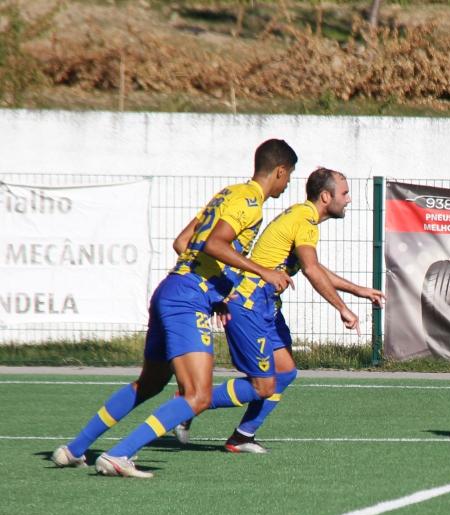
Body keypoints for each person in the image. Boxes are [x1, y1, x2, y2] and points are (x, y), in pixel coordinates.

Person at [51, 139, 297, 478]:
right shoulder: (251, 203)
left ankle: (74, 449)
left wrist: (217, 290)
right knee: (198, 396)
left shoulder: (227, 194)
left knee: (149, 384)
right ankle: (120, 454)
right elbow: (214, 243)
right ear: (280, 171)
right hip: (187, 300)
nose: (288, 184)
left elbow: (183, 242)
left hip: (170, 290)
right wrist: (262, 271)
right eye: (289, 176)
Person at [179, 167, 384, 454]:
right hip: (248, 305)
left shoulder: (302, 216)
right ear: (326, 197)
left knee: (285, 373)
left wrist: (358, 290)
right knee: (262, 384)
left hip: (266, 307)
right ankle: (189, 402)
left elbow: (314, 267)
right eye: (345, 193)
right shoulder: (305, 219)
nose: (348, 199)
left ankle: (242, 437)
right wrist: (343, 308)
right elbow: (311, 270)